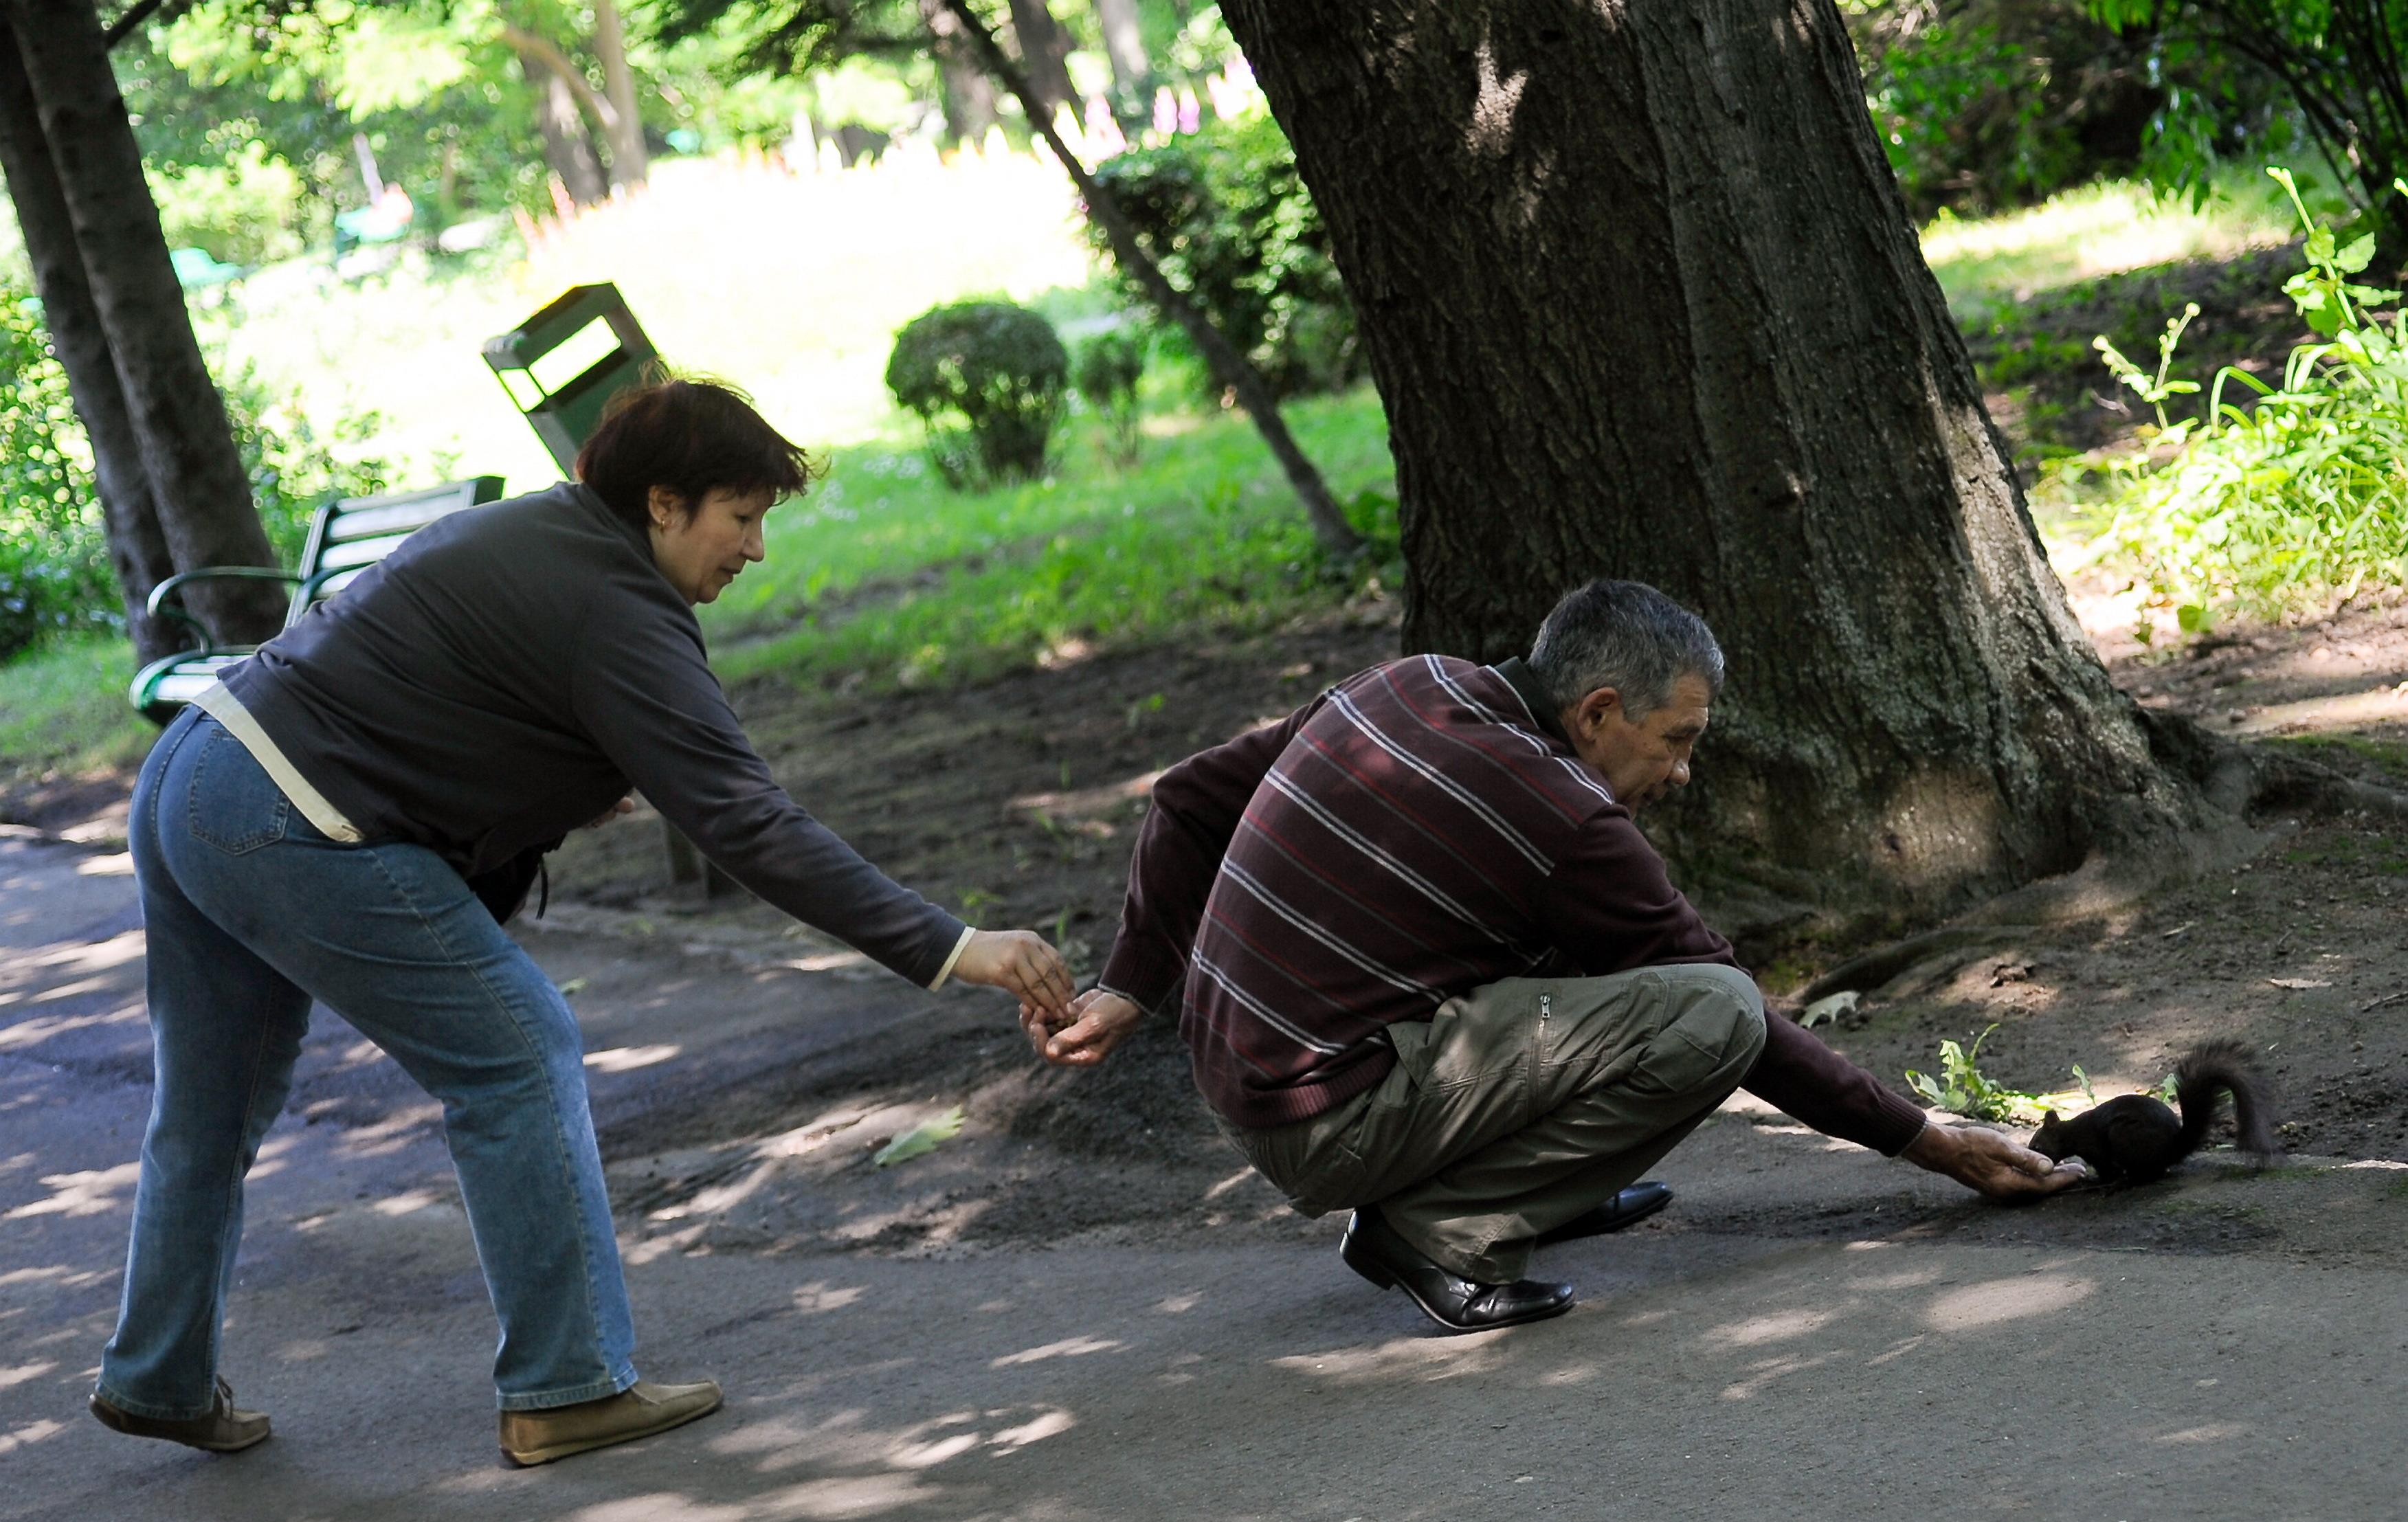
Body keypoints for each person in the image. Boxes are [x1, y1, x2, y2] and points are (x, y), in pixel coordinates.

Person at [94, 378, 1074, 1463]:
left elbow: (448, 698)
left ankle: (158, 1376)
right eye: (739, 519)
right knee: (517, 1052)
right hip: (286, 815)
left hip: (196, 769)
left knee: (208, 1110)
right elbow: (748, 823)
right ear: (663, 504)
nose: (754, 551)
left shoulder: (549, 534)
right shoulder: (619, 604)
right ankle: (566, 1387)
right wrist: (953, 946)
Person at [1026, 579, 2086, 1332]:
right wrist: (1926, 1141)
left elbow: (1185, 796)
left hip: (1260, 1077)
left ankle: (1539, 1194)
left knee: (1583, 949)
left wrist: (1130, 981)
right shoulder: (1560, 814)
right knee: (1707, 1010)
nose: (1680, 774)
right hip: (1326, 1118)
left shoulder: (1401, 685)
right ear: (1597, 711)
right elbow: (1736, 1019)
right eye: (1677, 740)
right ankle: (1442, 1231)